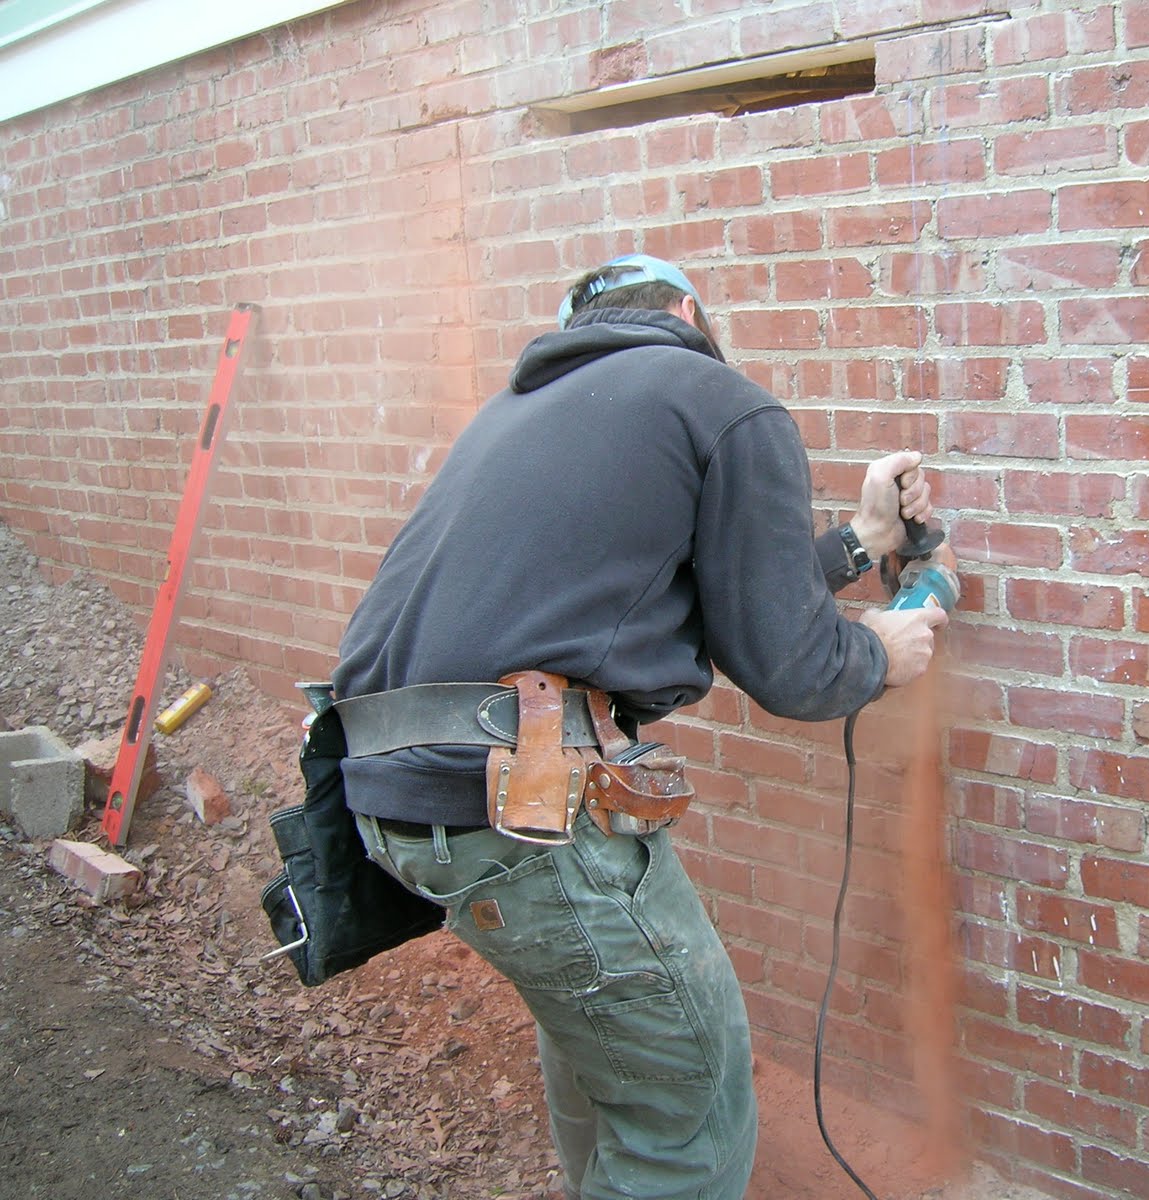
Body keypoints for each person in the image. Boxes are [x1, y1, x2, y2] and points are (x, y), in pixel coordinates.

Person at [330, 253, 950, 1200]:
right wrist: (879, 655)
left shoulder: (520, 415)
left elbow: (682, 591)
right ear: (691, 312)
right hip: (525, 806)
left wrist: (862, 543)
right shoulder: (722, 399)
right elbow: (788, 663)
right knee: (686, 1118)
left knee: (613, 1066)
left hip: (396, 796)